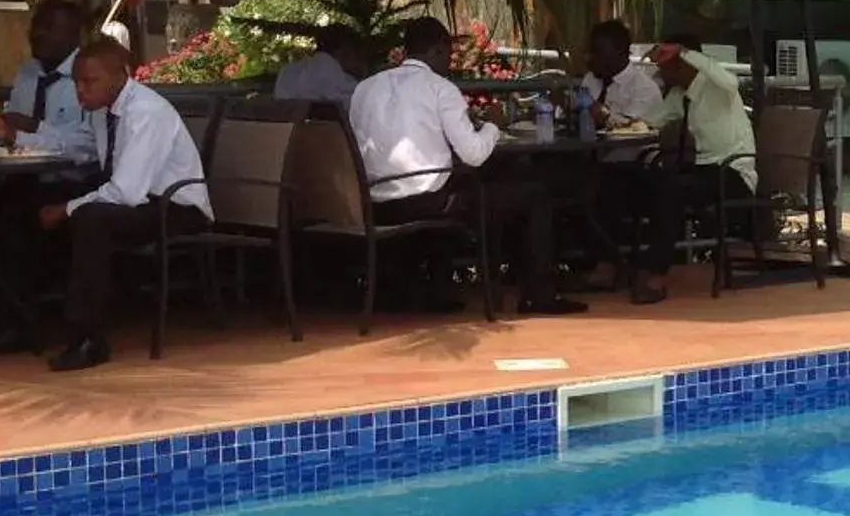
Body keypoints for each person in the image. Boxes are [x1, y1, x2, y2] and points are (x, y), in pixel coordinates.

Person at [349, 17, 583, 316]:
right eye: (447, 55)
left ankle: (438, 289)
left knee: (481, 185)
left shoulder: (365, 88)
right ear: (436, 50)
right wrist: (493, 126)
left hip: (375, 201)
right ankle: (538, 293)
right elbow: (473, 154)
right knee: (532, 194)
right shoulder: (440, 88)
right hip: (428, 202)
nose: (449, 63)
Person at [38, 38, 211, 372]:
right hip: (141, 202)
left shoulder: (145, 112)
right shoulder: (104, 111)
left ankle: (88, 339)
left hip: (176, 208)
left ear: (120, 77)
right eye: (77, 82)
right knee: (34, 201)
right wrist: (17, 138)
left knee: (89, 218)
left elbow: (127, 192)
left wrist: (67, 209)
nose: (80, 91)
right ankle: (23, 322)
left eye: (90, 82)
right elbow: (81, 149)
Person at [629, 35, 757, 304]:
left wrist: (685, 52)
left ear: (683, 63)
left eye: (666, 64)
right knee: (648, 179)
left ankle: (655, 276)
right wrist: (606, 117)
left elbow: (730, 80)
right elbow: (650, 122)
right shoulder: (680, 96)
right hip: (705, 171)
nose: (661, 71)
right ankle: (634, 262)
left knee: (674, 189)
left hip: (733, 173)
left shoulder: (718, 88)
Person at [0, 0, 93, 147]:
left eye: (49, 27)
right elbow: (9, 129)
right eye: (35, 25)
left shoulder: (91, 76)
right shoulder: (26, 73)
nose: (37, 33)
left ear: (73, 34)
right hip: (19, 167)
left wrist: (35, 127)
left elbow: (88, 146)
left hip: (71, 169)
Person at [577, 18, 663, 128]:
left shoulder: (644, 89)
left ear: (619, 51)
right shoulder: (591, 79)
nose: (588, 58)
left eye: (597, 52)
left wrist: (604, 116)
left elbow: (632, 129)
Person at [272, 25, 370, 108]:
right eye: (357, 55)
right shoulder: (330, 72)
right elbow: (359, 104)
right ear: (345, 53)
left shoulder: (288, 71)